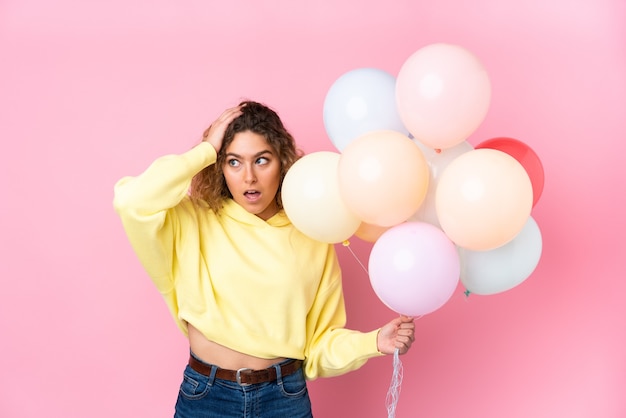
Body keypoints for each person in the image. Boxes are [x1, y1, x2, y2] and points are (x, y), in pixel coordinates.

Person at [113, 100, 415, 417]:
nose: (249, 177)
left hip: (284, 398)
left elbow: (317, 346)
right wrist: (204, 151)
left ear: (282, 162)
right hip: (208, 397)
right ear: (218, 166)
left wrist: (374, 342)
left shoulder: (310, 231)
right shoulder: (193, 220)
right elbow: (132, 201)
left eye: (261, 160)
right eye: (233, 162)